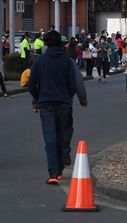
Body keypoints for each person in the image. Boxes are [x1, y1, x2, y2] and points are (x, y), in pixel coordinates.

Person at [28, 30, 76, 185]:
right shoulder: (67, 61)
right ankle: (60, 169)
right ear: (61, 44)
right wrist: (68, 97)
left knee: (50, 138)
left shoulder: (40, 61)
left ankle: (53, 173)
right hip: (63, 103)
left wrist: (38, 96)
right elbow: (73, 85)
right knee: (62, 136)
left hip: (46, 103)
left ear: (46, 44)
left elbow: (31, 85)